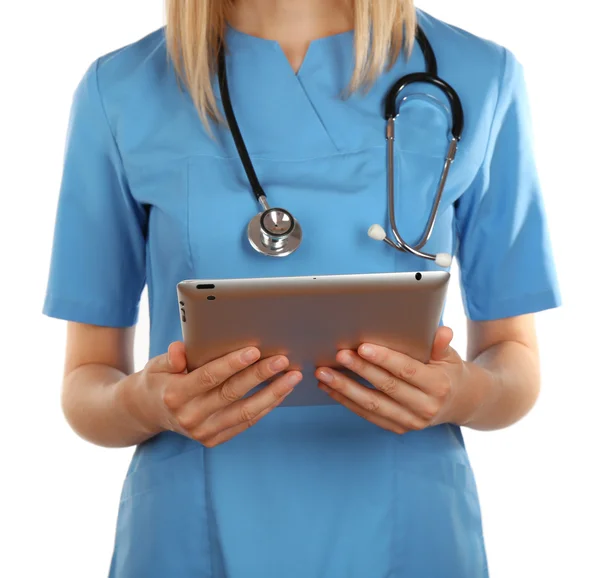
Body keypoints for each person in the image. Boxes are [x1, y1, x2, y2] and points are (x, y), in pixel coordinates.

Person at [43, 0, 560, 576]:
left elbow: (514, 361)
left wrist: (461, 394)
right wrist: (145, 403)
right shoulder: (120, 90)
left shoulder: (479, 76)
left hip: (411, 526)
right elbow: (86, 385)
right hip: (190, 530)